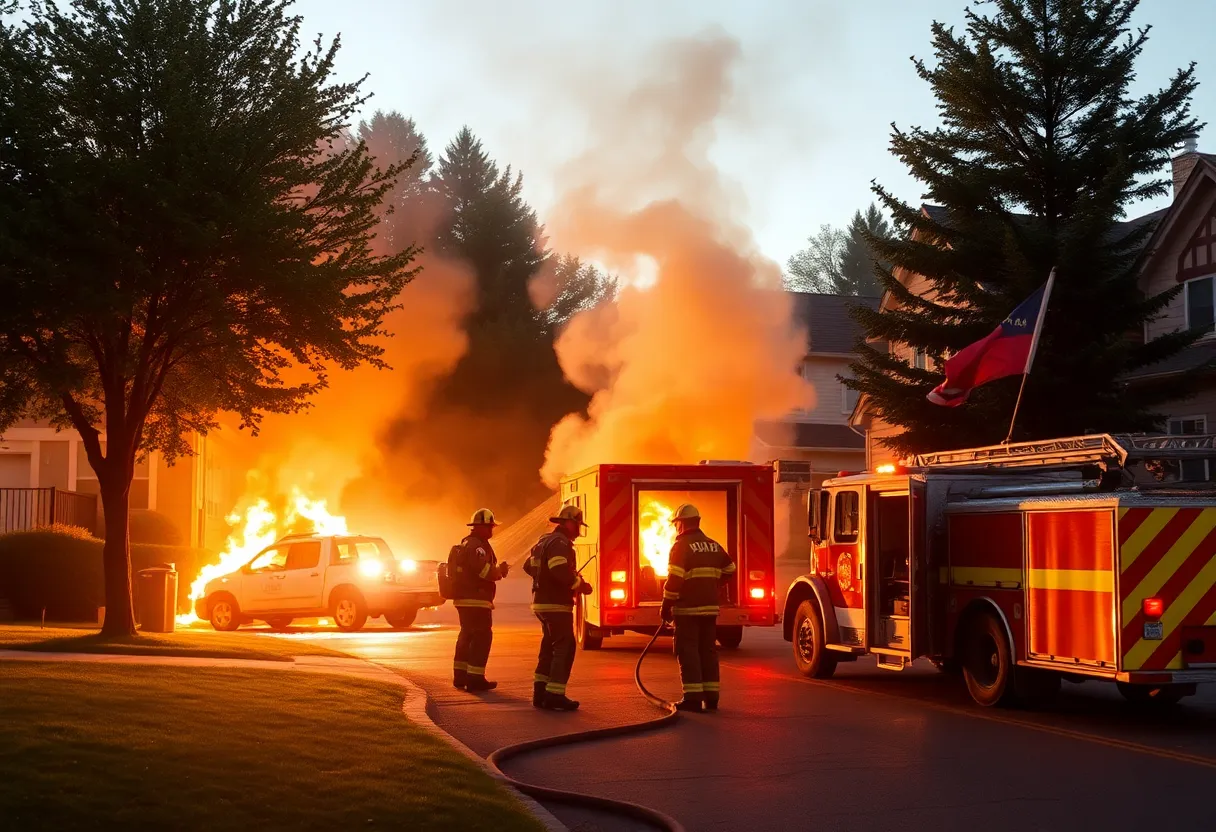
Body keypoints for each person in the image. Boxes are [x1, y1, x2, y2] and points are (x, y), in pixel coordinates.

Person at [660, 503, 736, 712]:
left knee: (688, 651)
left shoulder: (681, 546)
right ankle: (712, 698)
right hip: (710, 609)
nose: (676, 528)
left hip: (687, 610)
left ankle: (692, 699)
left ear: (682, 524)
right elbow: (730, 568)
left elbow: (674, 579)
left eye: (676, 524)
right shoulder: (713, 544)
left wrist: (666, 605)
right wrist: (713, 584)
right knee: (708, 651)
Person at [524, 504, 593, 711]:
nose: (579, 529)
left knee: (548, 646)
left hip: (541, 603)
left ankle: (540, 692)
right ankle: (555, 694)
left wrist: (546, 578)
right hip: (556, 604)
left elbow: (529, 566)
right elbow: (559, 569)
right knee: (565, 645)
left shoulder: (544, 541)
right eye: (578, 524)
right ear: (569, 523)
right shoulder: (561, 544)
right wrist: (579, 584)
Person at [451, 508, 509, 692]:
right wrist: (500, 571)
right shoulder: (477, 546)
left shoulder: (467, 543)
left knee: (466, 635)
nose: (492, 530)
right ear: (481, 527)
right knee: (482, 637)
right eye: (490, 527)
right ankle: (475, 678)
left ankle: (460, 676)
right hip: (476, 599)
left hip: (464, 598)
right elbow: (483, 571)